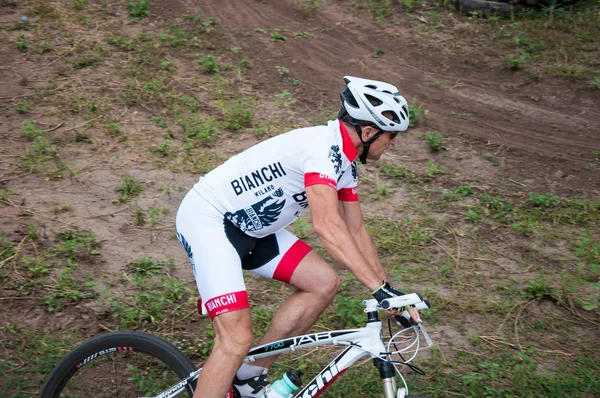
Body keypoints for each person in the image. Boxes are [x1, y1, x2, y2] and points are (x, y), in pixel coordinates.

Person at [175, 76, 421, 398]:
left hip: (253, 229)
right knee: (235, 339)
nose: (394, 142)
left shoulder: (344, 164)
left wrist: (388, 292)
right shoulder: (322, 149)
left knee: (322, 283)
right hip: (210, 220)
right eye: (392, 134)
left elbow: (356, 229)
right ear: (368, 131)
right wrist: (377, 288)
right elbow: (327, 226)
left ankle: (247, 375)